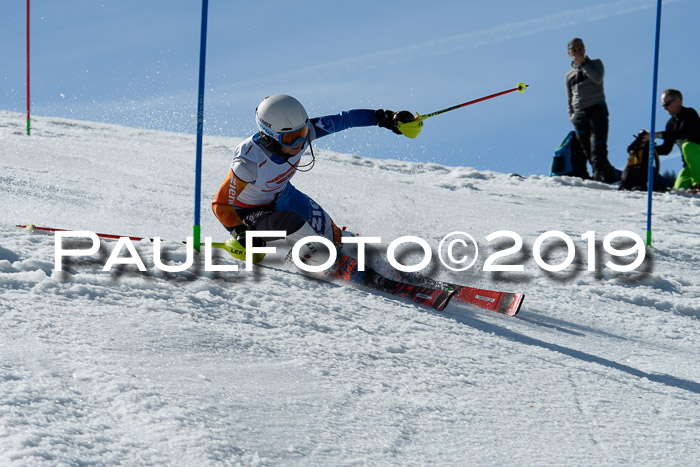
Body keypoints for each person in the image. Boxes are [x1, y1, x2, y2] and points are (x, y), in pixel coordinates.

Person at [211, 94, 414, 277]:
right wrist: (240, 232)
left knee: (334, 234)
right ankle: (333, 265)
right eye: (290, 138)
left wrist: (384, 118)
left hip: (283, 195)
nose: (300, 142)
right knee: (291, 222)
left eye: (303, 132)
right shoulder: (249, 161)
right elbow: (220, 204)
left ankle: (385, 269)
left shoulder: (306, 133)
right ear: (269, 136)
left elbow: (345, 119)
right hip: (249, 213)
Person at [565, 37, 616, 183]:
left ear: (584, 50)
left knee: (598, 146)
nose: (577, 52)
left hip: (596, 109)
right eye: (574, 50)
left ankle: (602, 175)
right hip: (579, 114)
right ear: (569, 53)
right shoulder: (568, 76)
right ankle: (599, 174)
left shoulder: (595, 64)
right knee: (586, 149)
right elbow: (569, 97)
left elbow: (597, 78)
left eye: (580, 49)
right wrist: (571, 115)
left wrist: (584, 65)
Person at [644, 89, 700, 189]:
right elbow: (666, 149)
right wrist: (648, 148)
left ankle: (698, 185)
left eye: (667, 104)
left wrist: (657, 135)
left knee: (687, 146)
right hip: (690, 166)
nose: (665, 108)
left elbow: (682, 133)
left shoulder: (690, 113)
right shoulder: (670, 124)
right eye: (663, 105)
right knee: (678, 191)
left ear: (677, 101)